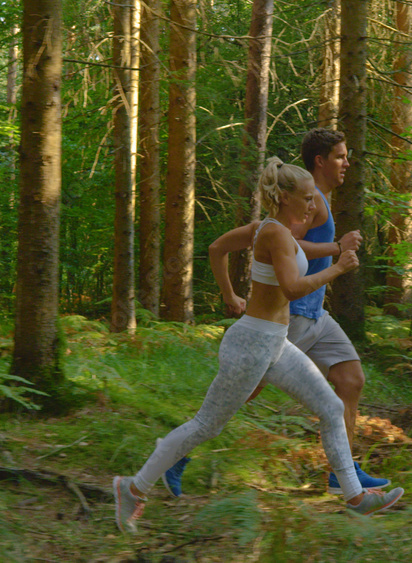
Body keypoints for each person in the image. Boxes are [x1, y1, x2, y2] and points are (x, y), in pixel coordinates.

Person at [113, 158, 404, 534]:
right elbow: (293, 288)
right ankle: (132, 488)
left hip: (274, 342)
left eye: (314, 198)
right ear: (283, 198)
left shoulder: (269, 229)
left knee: (332, 406)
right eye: (307, 198)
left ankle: (355, 498)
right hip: (251, 344)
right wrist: (338, 268)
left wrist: (231, 294)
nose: (313, 205)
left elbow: (218, 249)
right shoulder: (274, 234)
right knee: (205, 425)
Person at [161, 129, 389, 498]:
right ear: (320, 161)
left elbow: (242, 243)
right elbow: (280, 240)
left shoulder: (317, 198)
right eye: (340, 157)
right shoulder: (307, 201)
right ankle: (178, 452)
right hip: (291, 314)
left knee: (351, 380)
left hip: (317, 315)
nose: (347, 163)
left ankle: (342, 473)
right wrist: (337, 247)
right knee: (242, 392)